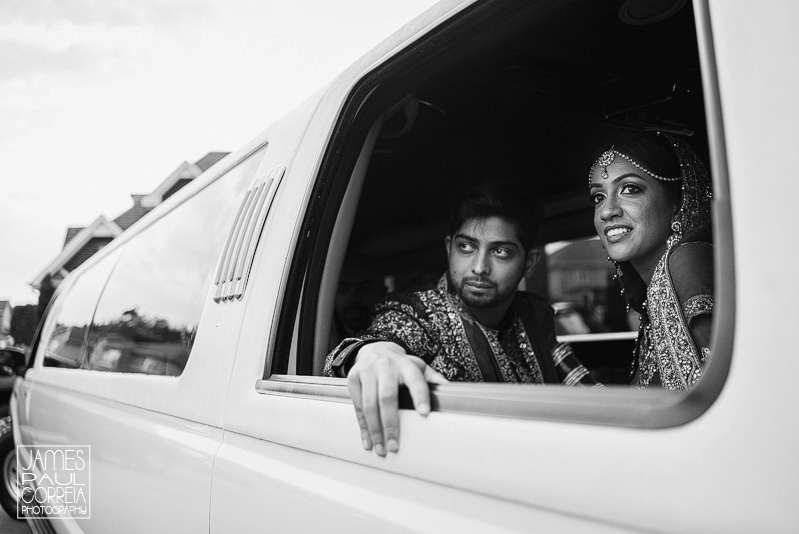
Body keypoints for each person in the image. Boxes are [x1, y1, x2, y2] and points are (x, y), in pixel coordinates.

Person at [324, 182, 598, 456]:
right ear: (449, 248)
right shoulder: (419, 310)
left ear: (529, 263)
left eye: (500, 251)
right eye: (466, 247)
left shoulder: (533, 314)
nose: (479, 267)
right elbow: (386, 335)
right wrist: (372, 353)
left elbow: (586, 393)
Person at [587, 130, 713, 390]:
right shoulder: (653, 298)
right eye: (598, 197)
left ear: (678, 202)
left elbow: (704, 401)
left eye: (630, 189)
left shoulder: (685, 262)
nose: (608, 210)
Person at [328, 254, 386, 350]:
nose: (353, 297)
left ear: (383, 293)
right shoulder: (321, 340)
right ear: (332, 296)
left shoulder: (399, 336)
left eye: (364, 288)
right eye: (343, 289)